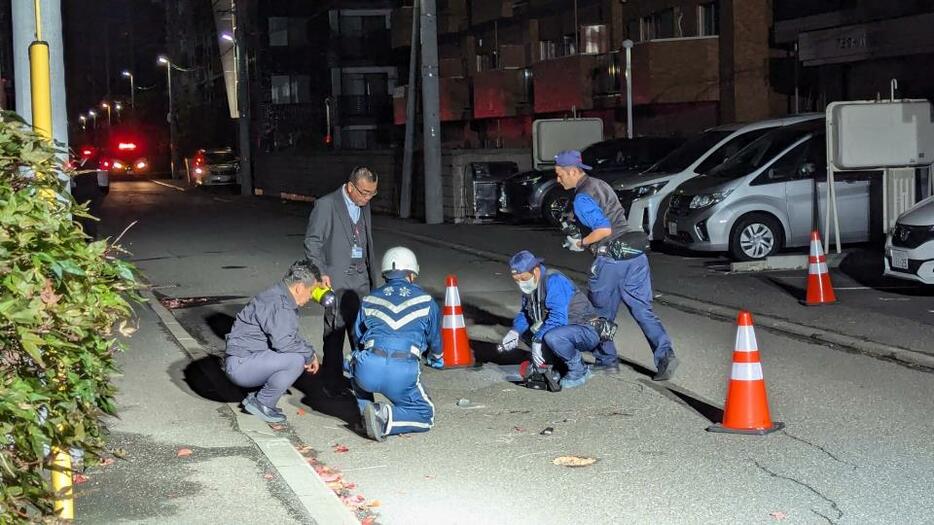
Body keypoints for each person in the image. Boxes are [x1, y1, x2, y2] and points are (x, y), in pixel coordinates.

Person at [554, 150, 679, 381]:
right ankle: (665, 355)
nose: (558, 180)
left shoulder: (582, 197)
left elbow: (603, 230)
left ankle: (607, 361)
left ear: (572, 171)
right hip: (634, 255)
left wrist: (580, 242)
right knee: (643, 310)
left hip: (610, 260)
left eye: (560, 174)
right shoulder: (599, 184)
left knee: (599, 314)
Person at [350, 246, 443, 442]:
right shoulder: (427, 301)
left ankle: (363, 414)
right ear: (412, 274)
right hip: (402, 372)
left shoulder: (369, 299)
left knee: (354, 361)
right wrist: (437, 358)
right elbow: (435, 340)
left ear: (385, 274)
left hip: (367, 369)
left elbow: (357, 337)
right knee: (425, 415)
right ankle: (383, 417)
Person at [304, 167, 380, 397]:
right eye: (364, 193)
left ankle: (363, 380)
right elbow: (313, 241)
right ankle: (332, 382)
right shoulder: (326, 205)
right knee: (335, 331)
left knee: (363, 332)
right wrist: (320, 272)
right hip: (336, 278)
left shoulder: (363, 206)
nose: (367, 199)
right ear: (350, 186)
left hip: (362, 278)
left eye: (372, 194)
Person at [224, 260, 322, 423]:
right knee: (295, 360)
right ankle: (262, 403)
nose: (311, 297)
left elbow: (288, 336)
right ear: (299, 288)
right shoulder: (280, 305)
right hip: (241, 366)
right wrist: (310, 355)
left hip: (241, 360)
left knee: (295, 352)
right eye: (311, 292)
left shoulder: (276, 293)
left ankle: (257, 397)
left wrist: (308, 350)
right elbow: (285, 343)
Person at [500, 250, 602, 389]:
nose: (521, 283)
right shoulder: (530, 287)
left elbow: (558, 318)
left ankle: (579, 370)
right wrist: (514, 332)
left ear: (535, 271)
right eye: (517, 280)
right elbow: (525, 313)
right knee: (526, 332)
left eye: (523, 278)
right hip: (565, 330)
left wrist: (537, 340)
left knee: (552, 337)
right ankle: (556, 365)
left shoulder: (554, 281)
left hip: (585, 329)